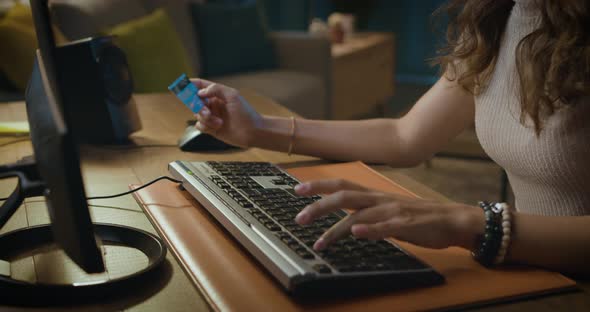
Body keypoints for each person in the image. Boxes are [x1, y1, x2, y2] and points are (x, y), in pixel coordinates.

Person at [190, 0, 589, 275]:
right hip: (530, 272)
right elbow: (405, 136)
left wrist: (467, 222)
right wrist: (257, 129)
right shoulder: (502, 17)